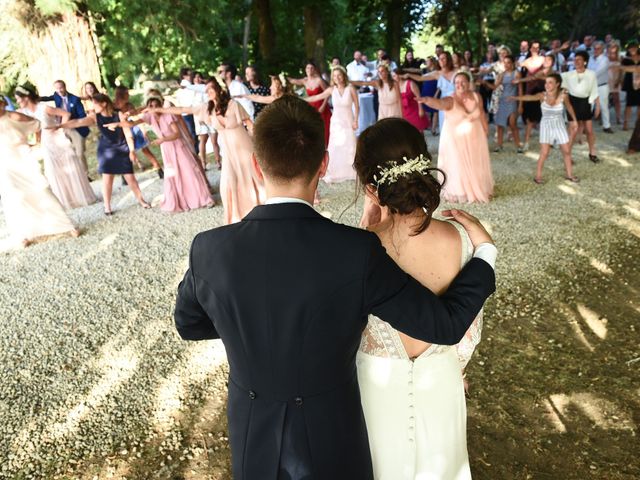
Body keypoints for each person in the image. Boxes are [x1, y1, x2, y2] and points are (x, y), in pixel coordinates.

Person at [173, 94, 497, 480]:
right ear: (323, 164)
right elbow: (443, 325)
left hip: (254, 433)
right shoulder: (355, 250)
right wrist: (485, 255)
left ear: (256, 166)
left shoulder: (208, 248)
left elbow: (189, 324)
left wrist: (250, 323)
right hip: (331, 439)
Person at [353, 118, 484, 479]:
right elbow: (469, 330)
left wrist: (369, 224)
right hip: (442, 382)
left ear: (370, 185)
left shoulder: (355, 250)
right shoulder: (462, 238)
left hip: (373, 390)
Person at [151, 79, 264, 224]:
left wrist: (260, 144)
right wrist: (160, 109)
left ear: (218, 90)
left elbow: (250, 125)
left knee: (252, 176)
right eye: (207, 91)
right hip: (228, 152)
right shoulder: (207, 109)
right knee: (227, 182)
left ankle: (260, 208)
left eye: (211, 90)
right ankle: (237, 215)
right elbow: (184, 109)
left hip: (243, 147)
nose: (208, 93)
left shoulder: (233, 104)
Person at [107, 94, 214, 213]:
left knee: (189, 170)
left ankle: (205, 199)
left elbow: (177, 134)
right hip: (166, 149)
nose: (153, 108)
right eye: (150, 105)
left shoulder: (167, 115)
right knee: (173, 175)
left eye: (156, 105)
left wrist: (162, 140)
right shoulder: (149, 116)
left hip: (178, 145)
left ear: (160, 106)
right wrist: (117, 124)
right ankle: (182, 199)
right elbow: (132, 124)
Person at [0, 96, 79, 247]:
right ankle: (23, 233)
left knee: (41, 189)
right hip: (5, 162)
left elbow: (36, 124)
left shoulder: (14, 115)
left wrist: (34, 142)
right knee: (14, 196)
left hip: (22, 157)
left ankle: (67, 225)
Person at [57, 93, 151, 215]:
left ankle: (141, 200)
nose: (93, 106)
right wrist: (60, 125)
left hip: (122, 148)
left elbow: (128, 133)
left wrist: (132, 151)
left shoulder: (119, 115)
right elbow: (78, 122)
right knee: (107, 180)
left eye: (95, 103)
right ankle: (107, 207)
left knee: (131, 178)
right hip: (106, 150)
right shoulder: (95, 117)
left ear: (104, 103)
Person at [15, 85, 97, 210]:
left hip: (58, 139)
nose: (17, 102)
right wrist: (35, 140)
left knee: (71, 166)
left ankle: (81, 197)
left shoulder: (44, 108)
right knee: (54, 170)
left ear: (26, 97)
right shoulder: (23, 112)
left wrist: (61, 127)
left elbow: (66, 113)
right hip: (46, 142)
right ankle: (65, 200)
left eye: (18, 99)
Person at [418, 71, 493, 203]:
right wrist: (427, 100)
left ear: (469, 83)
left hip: (476, 136)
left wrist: (485, 130)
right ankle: (461, 191)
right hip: (455, 139)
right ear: (454, 85)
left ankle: (477, 188)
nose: (460, 85)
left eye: (463, 81)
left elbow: (481, 114)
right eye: (457, 82)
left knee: (476, 163)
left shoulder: (476, 96)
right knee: (458, 163)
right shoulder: (450, 99)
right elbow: (439, 103)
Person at [509, 73, 579, 183]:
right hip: (546, 126)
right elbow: (529, 97)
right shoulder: (542, 95)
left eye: (550, 82)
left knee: (566, 151)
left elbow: (569, 107)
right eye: (546, 82)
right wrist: (515, 98)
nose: (547, 85)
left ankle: (569, 175)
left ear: (557, 84)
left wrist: (574, 121)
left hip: (559, 125)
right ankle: (538, 176)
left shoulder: (563, 95)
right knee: (544, 152)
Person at [304, 65, 359, 183]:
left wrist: (356, 120)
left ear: (343, 76)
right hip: (336, 122)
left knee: (350, 145)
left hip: (348, 121)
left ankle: (350, 170)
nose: (337, 78)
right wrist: (301, 99)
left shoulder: (351, 88)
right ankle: (336, 171)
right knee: (336, 146)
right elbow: (316, 97)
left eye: (339, 75)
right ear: (332, 78)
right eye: (334, 76)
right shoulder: (331, 90)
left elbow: (357, 105)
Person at [40, 79, 90, 177]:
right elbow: (47, 98)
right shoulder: (56, 96)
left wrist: (74, 122)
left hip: (76, 128)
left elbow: (82, 114)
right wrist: (36, 99)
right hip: (62, 128)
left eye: (61, 88)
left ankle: (85, 175)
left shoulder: (74, 99)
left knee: (79, 153)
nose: (59, 90)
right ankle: (75, 175)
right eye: (57, 89)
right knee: (69, 153)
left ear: (65, 87)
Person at [113, 85, 164, 177]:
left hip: (133, 127)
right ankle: (124, 175)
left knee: (145, 149)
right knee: (124, 153)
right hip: (121, 130)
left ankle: (158, 168)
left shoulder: (129, 105)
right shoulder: (114, 106)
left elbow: (136, 116)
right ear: (121, 94)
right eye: (126, 93)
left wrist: (143, 130)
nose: (128, 94)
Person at [561, 51, 601, 162]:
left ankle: (592, 153)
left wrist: (597, 106)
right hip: (572, 103)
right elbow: (561, 87)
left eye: (579, 59)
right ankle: (567, 155)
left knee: (589, 130)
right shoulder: (567, 75)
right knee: (573, 130)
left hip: (585, 103)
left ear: (585, 62)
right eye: (575, 59)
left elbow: (594, 90)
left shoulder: (591, 74)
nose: (576, 61)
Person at [406, 52, 456, 131]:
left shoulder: (456, 72)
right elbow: (420, 78)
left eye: (443, 58)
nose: (441, 60)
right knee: (445, 126)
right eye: (439, 59)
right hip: (443, 102)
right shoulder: (437, 74)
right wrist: (408, 75)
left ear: (449, 59)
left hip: (456, 101)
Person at [484, 55, 523, 152]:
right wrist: (484, 83)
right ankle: (499, 145)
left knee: (512, 123)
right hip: (502, 101)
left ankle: (518, 145)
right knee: (499, 124)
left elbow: (520, 90)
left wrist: (521, 104)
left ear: (513, 63)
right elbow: (494, 87)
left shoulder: (517, 74)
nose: (506, 65)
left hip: (512, 101)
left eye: (508, 62)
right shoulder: (501, 74)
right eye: (505, 63)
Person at [287, 61, 331, 146]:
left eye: (311, 68)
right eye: (308, 68)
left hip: (322, 107)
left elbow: (328, 93)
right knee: (312, 127)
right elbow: (293, 81)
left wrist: (323, 106)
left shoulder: (319, 80)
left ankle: (326, 147)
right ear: (305, 70)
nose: (309, 70)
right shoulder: (304, 81)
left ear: (314, 70)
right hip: (311, 107)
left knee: (324, 128)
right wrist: (284, 77)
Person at [520, 41, 545, 150]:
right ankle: (526, 142)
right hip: (530, 91)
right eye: (533, 47)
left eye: (537, 47)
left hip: (542, 90)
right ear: (530, 49)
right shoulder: (526, 61)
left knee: (545, 117)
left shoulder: (543, 60)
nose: (535, 49)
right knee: (529, 119)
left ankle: (552, 140)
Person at [588, 41, 612, 133]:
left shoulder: (605, 59)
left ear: (602, 49)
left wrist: (587, 74)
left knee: (603, 106)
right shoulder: (590, 58)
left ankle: (607, 126)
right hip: (591, 86)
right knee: (589, 106)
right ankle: (587, 126)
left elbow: (597, 72)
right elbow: (589, 70)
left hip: (602, 86)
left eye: (598, 48)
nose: (596, 50)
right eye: (595, 48)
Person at [621, 41, 640, 131]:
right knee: (629, 104)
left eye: (634, 47)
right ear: (628, 49)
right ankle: (626, 122)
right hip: (630, 83)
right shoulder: (626, 59)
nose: (633, 49)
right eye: (631, 48)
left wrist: (633, 69)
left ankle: (638, 123)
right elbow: (622, 69)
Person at [608, 43, 623, 126]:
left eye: (614, 47)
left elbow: (621, 71)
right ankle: (603, 117)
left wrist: (619, 80)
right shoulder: (606, 57)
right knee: (605, 100)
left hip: (615, 80)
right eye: (611, 47)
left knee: (616, 99)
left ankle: (618, 117)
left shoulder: (620, 58)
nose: (613, 48)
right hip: (607, 80)